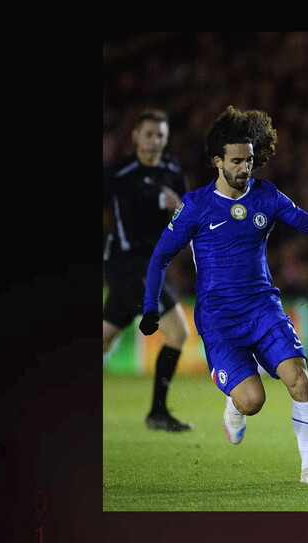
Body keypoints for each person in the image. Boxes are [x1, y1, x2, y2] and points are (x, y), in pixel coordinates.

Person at [140, 105, 308, 484]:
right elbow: (160, 257)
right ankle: (234, 404)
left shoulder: (266, 196)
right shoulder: (196, 206)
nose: (245, 168)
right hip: (219, 319)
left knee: (299, 379)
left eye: (249, 160)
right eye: (236, 161)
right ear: (217, 161)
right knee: (253, 401)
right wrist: (150, 307)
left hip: (263, 307)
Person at [103, 108, 193, 432]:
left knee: (104, 338)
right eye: (149, 134)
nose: (154, 141)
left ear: (166, 139)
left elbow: (187, 211)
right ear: (135, 137)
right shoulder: (119, 174)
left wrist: (178, 207)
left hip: (151, 265)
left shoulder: (171, 169)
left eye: (160, 135)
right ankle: (157, 412)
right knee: (178, 332)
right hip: (126, 264)